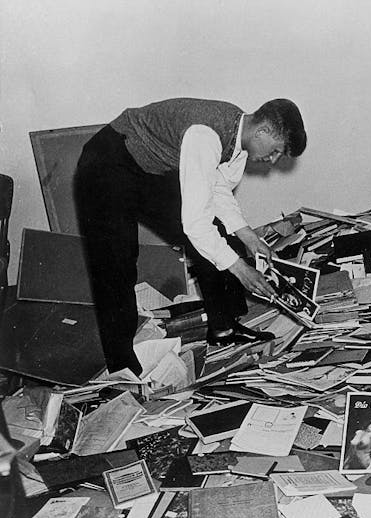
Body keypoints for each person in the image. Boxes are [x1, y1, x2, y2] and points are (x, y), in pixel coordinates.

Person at [75, 97, 306, 375]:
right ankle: (122, 369)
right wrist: (241, 270)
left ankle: (223, 328)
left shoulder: (238, 133)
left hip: (144, 168)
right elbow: (195, 224)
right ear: (262, 132)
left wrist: (250, 238)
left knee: (217, 237)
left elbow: (216, 189)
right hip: (107, 164)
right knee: (117, 267)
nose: (273, 160)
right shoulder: (206, 135)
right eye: (276, 151)